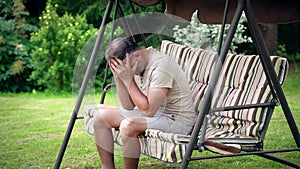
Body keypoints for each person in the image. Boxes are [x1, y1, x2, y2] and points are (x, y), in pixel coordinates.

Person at [92, 37, 196, 169]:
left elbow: (148, 110)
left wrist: (129, 79)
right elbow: (128, 106)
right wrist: (119, 78)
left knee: (128, 125)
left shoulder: (161, 66)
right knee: (100, 117)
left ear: (135, 55)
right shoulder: (135, 63)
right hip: (156, 115)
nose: (124, 71)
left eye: (123, 67)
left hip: (178, 120)